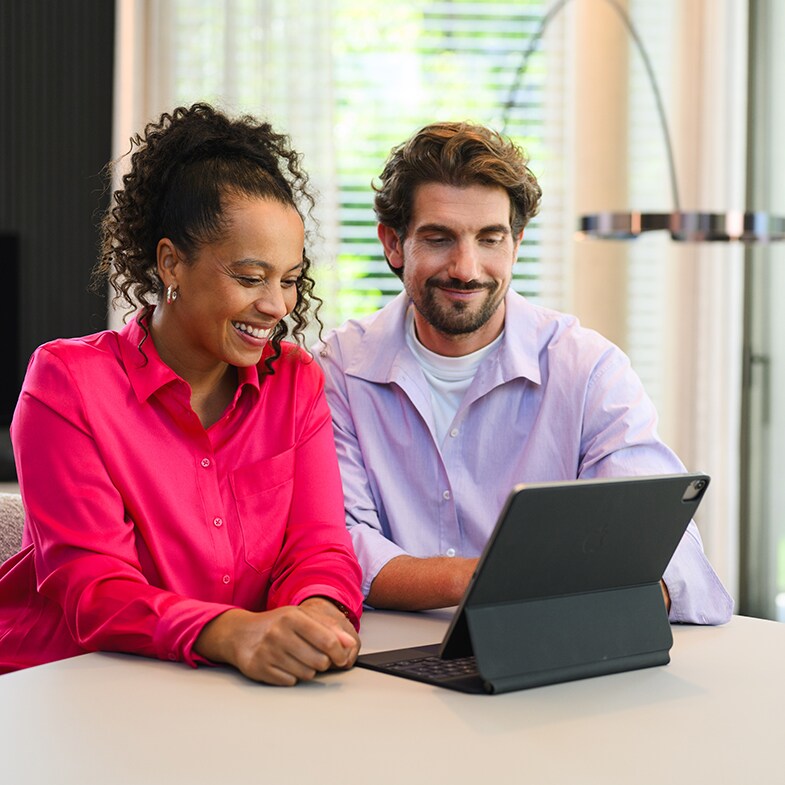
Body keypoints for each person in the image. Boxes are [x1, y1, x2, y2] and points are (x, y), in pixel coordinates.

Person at [0, 103, 363, 685]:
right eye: (250, 278)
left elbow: (319, 549)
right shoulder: (67, 382)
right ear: (171, 263)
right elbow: (94, 591)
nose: (276, 305)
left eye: (290, 279)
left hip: (214, 687)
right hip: (61, 686)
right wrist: (232, 633)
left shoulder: (294, 381)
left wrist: (315, 618)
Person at [314, 121, 733, 623]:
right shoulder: (339, 370)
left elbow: (666, 547)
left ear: (515, 243)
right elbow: (337, 545)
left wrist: (621, 585)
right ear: (393, 244)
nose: (466, 268)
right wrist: (504, 579)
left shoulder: (588, 369)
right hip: (389, 661)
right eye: (439, 238)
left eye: (489, 239)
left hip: (553, 653)